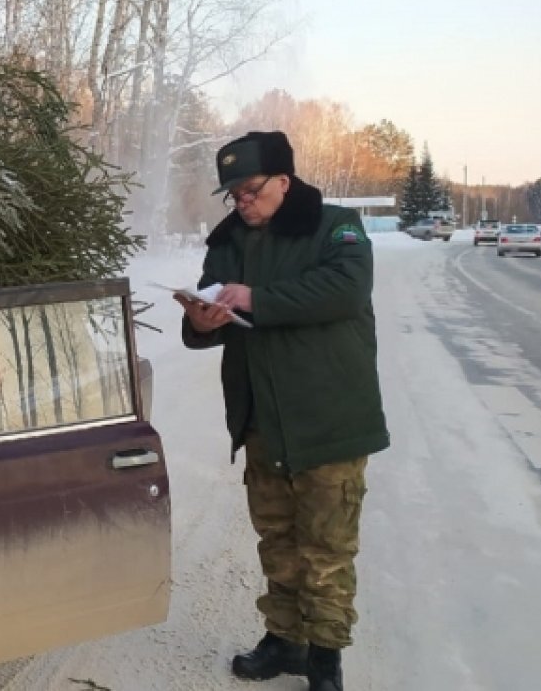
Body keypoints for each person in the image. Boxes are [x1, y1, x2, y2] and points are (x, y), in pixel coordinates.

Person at [175, 131, 389, 691]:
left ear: (284, 181)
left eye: (251, 190)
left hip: (329, 419)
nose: (242, 202)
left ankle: (325, 657)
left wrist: (257, 298)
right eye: (234, 194)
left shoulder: (334, 225)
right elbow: (210, 301)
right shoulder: (227, 240)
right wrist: (201, 321)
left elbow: (346, 288)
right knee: (277, 539)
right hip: (262, 419)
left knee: (327, 547)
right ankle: (285, 639)